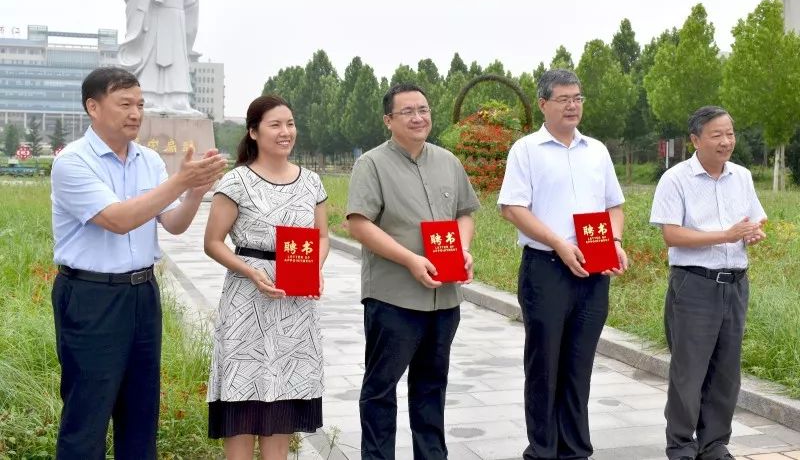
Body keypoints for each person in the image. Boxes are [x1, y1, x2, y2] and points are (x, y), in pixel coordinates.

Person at [50, 66, 226, 459]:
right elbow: (119, 219)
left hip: (142, 295)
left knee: (141, 415)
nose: (136, 113)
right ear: (93, 107)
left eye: (141, 104)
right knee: (87, 414)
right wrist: (179, 182)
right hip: (91, 297)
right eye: (125, 103)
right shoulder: (73, 163)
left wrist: (195, 193)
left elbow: (174, 224)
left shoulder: (148, 161)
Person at [497, 68, 628, 460]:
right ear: (544, 104)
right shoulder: (526, 150)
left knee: (578, 364)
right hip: (547, 269)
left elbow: (614, 205)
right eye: (564, 99)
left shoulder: (598, 150)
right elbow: (512, 208)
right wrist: (557, 241)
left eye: (578, 98)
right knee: (544, 365)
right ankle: (542, 450)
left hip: (594, 269)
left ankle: (575, 450)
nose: (573, 106)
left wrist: (616, 241)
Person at [346, 83, 480, 459]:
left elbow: (465, 213)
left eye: (424, 109)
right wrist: (410, 259)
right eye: (408, 112)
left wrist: (463, 248)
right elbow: (359, 223)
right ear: (389, 120)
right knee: (381, 389)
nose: (419, 117)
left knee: (432, 386)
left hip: (444, 297)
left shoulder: (447, 161)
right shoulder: (371, 164)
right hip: (394, 298)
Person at [204, 95, 329, 460]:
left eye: (289, 124)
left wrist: (314, 270)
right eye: (275, 125)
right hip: (248, 302)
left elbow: (322, 237)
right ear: (254, 132)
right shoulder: (237, 181)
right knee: (243, 403)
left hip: (295, 303)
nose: (285, 132)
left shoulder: (311, 182)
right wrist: (251, 272)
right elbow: (213, 242)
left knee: (282, 406)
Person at [650, 106, 767, 460]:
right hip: (695, 285)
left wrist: (753, 233)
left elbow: (755, 220)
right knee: (689, 370)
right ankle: (682, 446)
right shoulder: (675, 179)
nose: (726, 141)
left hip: (735, 284)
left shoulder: (742, 177)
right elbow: (671, 234)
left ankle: (715, 444)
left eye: (729, 133)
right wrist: (726, 235)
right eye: (716, 135)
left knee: (726, 369)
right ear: (695, 140)